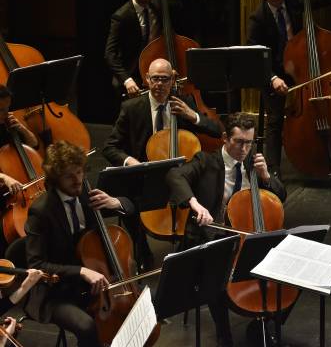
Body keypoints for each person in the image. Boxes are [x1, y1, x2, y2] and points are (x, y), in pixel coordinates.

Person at [166, 112, 286, 347]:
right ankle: (224, 334)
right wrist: (195, 204)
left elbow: (279, 196)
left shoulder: (254, 162)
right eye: (239, 142)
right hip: (210, 234)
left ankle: (262, 324)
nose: (244, 149)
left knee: (287, 277)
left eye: (249, 143)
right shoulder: (206, 161)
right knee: (216, 273)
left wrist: (265, 176)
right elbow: (175, 175)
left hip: (246, 234)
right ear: (224, 138)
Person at [103, 58, 223, 270]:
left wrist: (192, 116)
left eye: (165, 79)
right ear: (147, 79)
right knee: (129, 199)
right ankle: (141, 249)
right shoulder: (131, 108)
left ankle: (191, 248)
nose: (159, 84)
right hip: (145, 174)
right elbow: (110, 148)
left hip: (181, 174)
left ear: (173, 79)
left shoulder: (182, 103)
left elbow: (216, 131)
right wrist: (132, 163)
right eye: (155, 79)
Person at [24, 141, 135, 347]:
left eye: (80, 172)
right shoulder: (41, 212)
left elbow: (130, 207)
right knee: (87, 326)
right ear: (56, 179)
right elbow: (37, 266)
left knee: (135, 310)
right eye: (69, 176)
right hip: (56, 291)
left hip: (92, 284)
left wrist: (116, 203)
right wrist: (82, 271)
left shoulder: (85, 194)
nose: (78, 180)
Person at [246, 0, 331, 176]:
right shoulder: (257, 17)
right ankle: (273, 170)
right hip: (273, 71)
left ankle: (319, 156)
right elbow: (254, 53)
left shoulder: (292, 0)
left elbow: (326, 1)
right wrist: (273, 78)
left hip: (300, 66)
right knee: (275, 119)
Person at [104, 0, 187, 99]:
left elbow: (187, 10)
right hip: (134, 70)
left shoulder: (159, 0)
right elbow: (110, 54)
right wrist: (127, 80)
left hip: (159, 65)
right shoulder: (121, 16)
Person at [0, 84, 39, 198]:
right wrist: (4, 178)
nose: (7, 114)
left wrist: (22, 129)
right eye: (1, 110)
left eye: (8, 108)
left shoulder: (8, 124)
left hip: (18, 186)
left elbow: (34, 146)